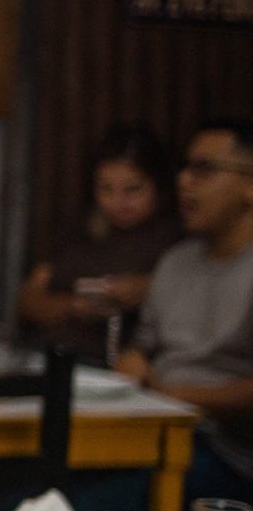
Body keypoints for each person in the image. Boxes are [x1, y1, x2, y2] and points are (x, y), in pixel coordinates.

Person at [118, 117, 253, 504]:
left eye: (204, 170)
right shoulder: (176, 262)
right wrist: (132, 362)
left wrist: (176, 396)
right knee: (26, 493)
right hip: (149, 426)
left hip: (225, 452)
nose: (183, 182)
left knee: (92, 509)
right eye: (184, 168)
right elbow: (142, 345)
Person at [18, 123, 182, 365]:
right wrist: (74, 305)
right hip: (46, 354)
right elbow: (28, 301)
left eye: (133, 190)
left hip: (111, 363)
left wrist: (147, 289)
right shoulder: (80, 229)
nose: (119, 202)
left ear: (159, 186)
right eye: (106, 189)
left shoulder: (175, 237)